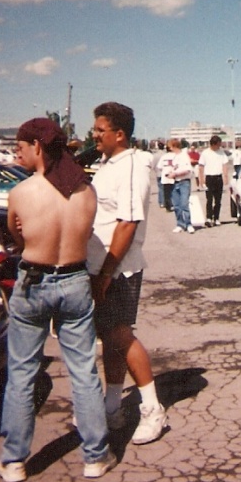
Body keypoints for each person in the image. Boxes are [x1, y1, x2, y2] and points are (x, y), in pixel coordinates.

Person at [0, 118, 116, 482]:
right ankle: (96, 456)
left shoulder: (22, 192)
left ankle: (14, 460)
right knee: (83, 371)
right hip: (76, 280)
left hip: (34, 282)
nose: (18, 153)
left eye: (21, 147)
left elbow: (17, 236)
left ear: (37, 146)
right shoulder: (86, 191)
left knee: (22, 373)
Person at [87, 102, 169, 448]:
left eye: (99, 130)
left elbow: (128, 222)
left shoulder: (133, 165)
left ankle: (152, 409)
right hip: (99, 267)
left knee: (121, 336)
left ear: (119, 134)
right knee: (110, 337)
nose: (94, 135)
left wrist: (106, 273)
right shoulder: (107, 164)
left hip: (117, 269)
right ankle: (112, 406)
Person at [197, 135, 230, 228]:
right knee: (209, 199)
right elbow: (201, 167)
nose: (220, 146)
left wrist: (225, 176)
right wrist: (201, 179)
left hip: (218, 177)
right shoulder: (205, 153)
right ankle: (208, 218)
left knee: (218, 200)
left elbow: (225, 164)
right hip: (209, 178)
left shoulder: (221, 153)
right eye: (218, 144)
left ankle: (216, 218)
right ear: (213, 144)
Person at [167, 138, 195, 233]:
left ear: (174, 146)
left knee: (184, 204)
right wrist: (171, 173)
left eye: (170, 147)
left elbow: (187, 170)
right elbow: (175, 168)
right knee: (176, 205)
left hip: (184, 182)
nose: (170, 149)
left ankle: (188, 224)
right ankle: (180, 224)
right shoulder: (175, 157)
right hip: (175, 182)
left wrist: (175, 174)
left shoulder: (184, 156)